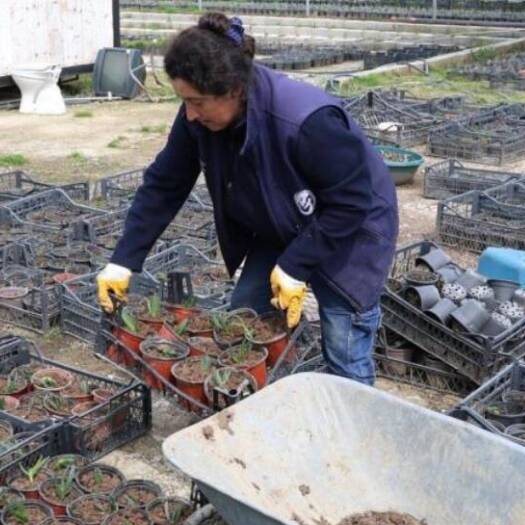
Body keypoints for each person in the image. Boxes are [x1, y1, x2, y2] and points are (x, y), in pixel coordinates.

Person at [96, 13, 398, 385]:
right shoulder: (199, 117)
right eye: (183, 100)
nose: (189, 113)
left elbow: (352, 202)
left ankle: (351, 423)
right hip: (283, 219)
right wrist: (124, 260)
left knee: (343, 339)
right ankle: (264, 397)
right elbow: (165, 183)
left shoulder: (305, 120)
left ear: (234, 90)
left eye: (197, 102)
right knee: (243, 317)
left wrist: (296, 265)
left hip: (352, 228)